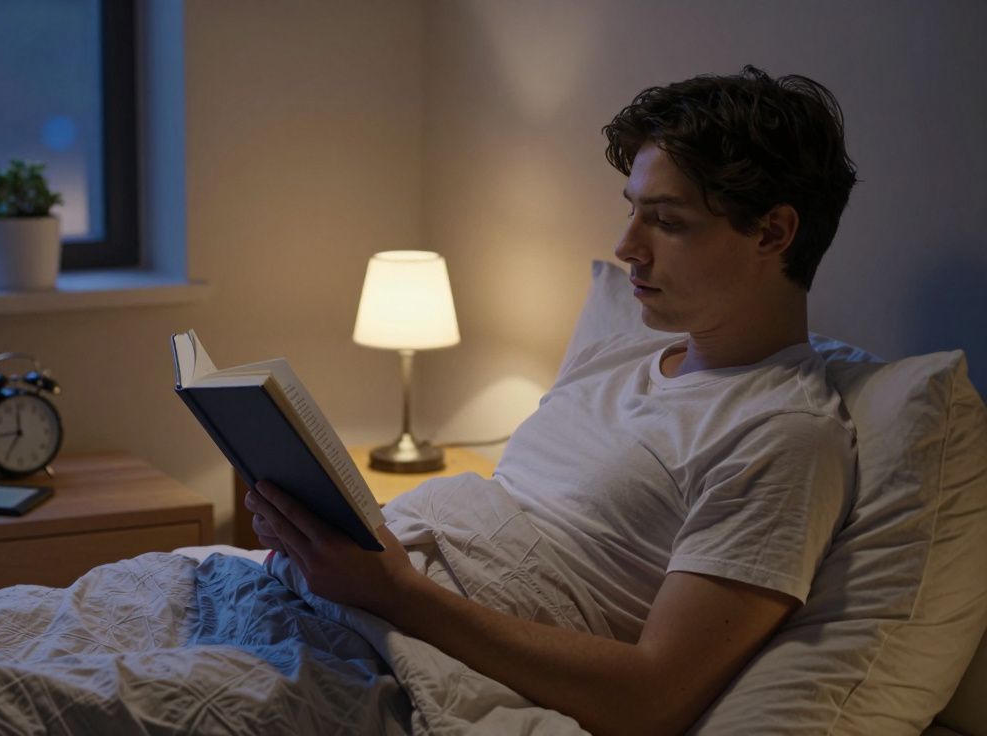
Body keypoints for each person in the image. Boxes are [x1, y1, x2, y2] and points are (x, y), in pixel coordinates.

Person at [246, 65, 860, 736]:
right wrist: (328, 539)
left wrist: (395, 590)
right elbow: (520, 507)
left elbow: (651, 700)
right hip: (352, 606)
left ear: (773, 234)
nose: (628, 248)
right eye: (632, 210)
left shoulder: (783, 433)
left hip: (402, 644)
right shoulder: (622, 351)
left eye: (666, 221)